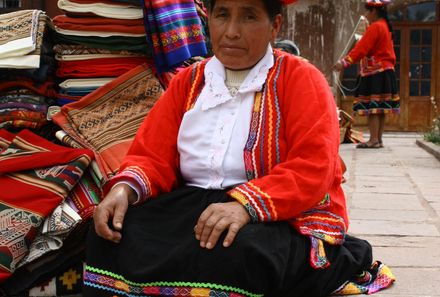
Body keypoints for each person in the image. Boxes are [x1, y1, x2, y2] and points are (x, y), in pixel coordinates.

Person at [84, 0, 394, 296]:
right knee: (113, 234)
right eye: (222, 15)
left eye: (248, 16)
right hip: (193, 205)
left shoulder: (302, 79)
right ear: (209, 20)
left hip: (277, 214)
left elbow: (313, 166)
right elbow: (152, 155)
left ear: (274, 26)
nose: (231, 31)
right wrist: (123, 190)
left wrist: (244, 206)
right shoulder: (187, 83)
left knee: (241, 251)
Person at [333, 0, 399, 149]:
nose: (365, 15)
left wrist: (343, 63)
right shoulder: (385, 26)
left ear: (374, 11)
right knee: (380, 108)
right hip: (386, 71)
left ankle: (373, 140)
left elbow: (361, 49)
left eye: (367, 11)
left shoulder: (375, 27)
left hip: (376, 72)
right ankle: (378, 139)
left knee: (373, 108)